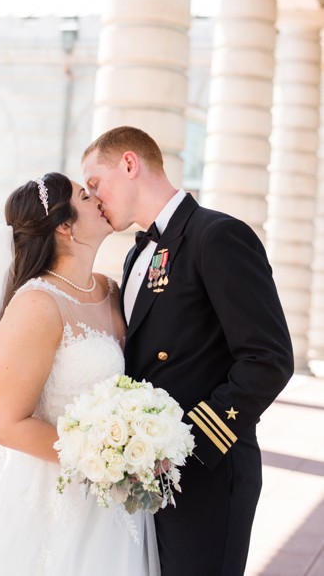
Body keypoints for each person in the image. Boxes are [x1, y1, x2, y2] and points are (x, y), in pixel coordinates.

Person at [0, 172, 158, 575]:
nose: (98, 199)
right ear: (64, 226)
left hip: (114, 501)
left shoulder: (111, 291)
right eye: (85, 196)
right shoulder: (37, 304)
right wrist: (102, 458)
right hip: (55, 498)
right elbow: (6, 424)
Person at [81, 125, 294, 576]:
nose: (93, 198)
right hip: (150, 473)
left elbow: (268, 358)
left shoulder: (217, 236)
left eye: (95, 183)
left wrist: (187, 445)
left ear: (129, 164)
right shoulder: (136, 255)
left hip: (207, 471)